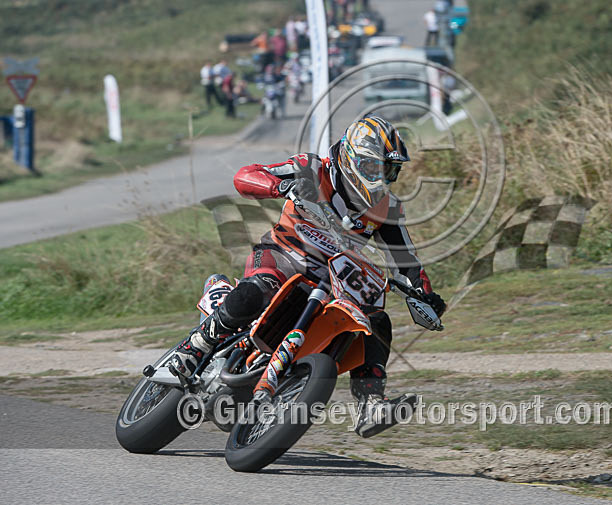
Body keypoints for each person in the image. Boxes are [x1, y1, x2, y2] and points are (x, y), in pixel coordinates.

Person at [171, 115, 446, 438]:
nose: (381, 179)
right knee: (257, 290)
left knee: (376, 320)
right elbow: (246, 176)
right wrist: (280, 186)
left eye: (389, 171)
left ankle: (370, 402)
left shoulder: (386, 208)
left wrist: (424, 294)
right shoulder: (312, 169)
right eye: (375, 168)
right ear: (352, 159)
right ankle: (195, 348)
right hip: (282, 256)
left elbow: (407, 261)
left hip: (333, 279)